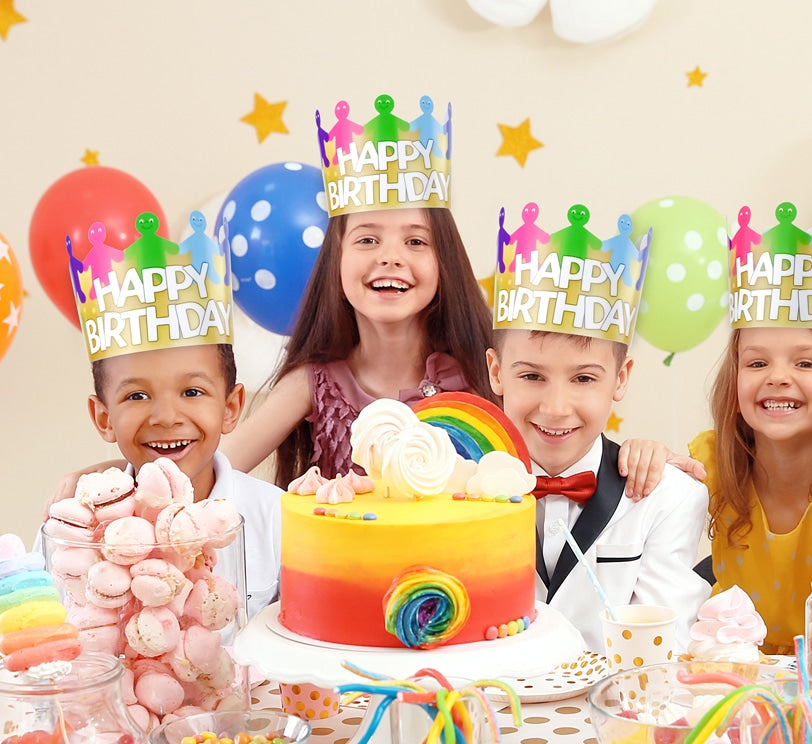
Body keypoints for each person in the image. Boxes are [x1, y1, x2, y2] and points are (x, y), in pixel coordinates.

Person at [222, 95, 671, 499]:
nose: (390, 257)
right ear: (335, 260)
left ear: (444, 261)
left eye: (416, 241)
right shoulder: (315, 384)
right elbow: (216, 472)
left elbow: (562, 446)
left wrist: (641, 458)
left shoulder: (480, 376)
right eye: (367, 240)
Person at [487, 203, 710, 653]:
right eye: (531, 376)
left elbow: (661, 653)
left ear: (621, 379)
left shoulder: (668, 497)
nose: (555, 407)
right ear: (496, 373)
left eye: (584, 379)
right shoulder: (456, 491)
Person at [62, 211, 281, 616]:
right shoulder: (75, 531)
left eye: (192, 392)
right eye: (137, 395)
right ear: (103, 418)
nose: (165, 416)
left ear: (231, 407)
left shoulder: (278, 519)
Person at [687, 201, 812, 655]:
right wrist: (644, 458)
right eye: (756, 363)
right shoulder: (711, 460)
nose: (777, 377)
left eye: (805, 363)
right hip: (736, 673)